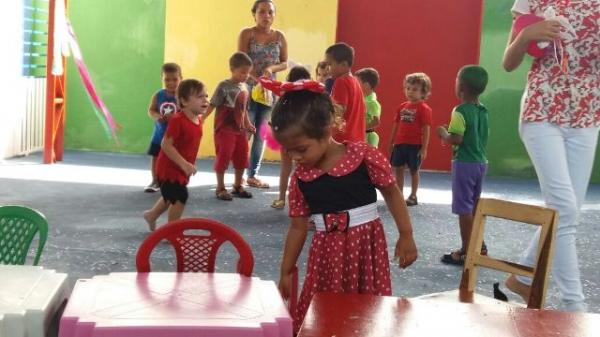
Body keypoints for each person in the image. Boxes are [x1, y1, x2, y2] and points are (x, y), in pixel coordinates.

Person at [270, 81, 418, 331]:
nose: (295, 157)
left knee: (366, 314)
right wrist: (286, 270)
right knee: (324, 317)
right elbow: (297, 228)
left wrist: (406, 235)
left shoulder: (362, 156)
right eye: (288, 151)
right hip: (327, 257)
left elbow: (392, 193)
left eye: (301, 149)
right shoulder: (300, 178)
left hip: (365, 250)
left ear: (327, 128)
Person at [502, 0, 599, 312]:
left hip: (587, 115)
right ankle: (575, 308)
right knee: (563, 208)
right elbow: (508, 62)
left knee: (568, 212)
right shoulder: (531, 1)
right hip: (542, 111)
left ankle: (524, 279)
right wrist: (527, 34)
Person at [436, 65, 489, 265]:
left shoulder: (459, 111)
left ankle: (468, 251)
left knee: (464, 209)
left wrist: (443, 133)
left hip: (465, 164)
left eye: (457, 79)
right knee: (475, 206)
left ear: (462, 87)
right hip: (481, 163)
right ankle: (479, 246)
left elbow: (456, 139)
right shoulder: (483, 110)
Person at [143, 79, 208, 231]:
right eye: (200, 97)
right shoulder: (178, 120)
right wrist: (184, 164)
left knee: (170, 196)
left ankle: (151, 215)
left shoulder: (198, 119)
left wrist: (187, 165)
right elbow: (166, 145)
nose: (205, 100)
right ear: (184, 102)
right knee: (180, 197)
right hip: (169, 168)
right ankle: (171, 232)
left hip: (181, 168)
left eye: (206, 96)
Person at [238, 0, 288, 189]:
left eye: (270, 12)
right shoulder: (247, 34)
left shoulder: (280, 36)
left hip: (269, 92)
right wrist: (256, 77)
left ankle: (253, 175)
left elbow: (284, 62)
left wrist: (271, 68)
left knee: (261, 134)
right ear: (254, 14)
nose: (266, 16)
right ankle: (239, 175)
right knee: (246, 131)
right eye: (261, 12)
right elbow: (240, 60)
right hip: (248, 90)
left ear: (274, 15)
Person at [203, 52, 255, 201]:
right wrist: (202, 119)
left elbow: (242, 110)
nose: (246, 76)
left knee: (242, 157)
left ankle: (238, 186)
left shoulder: (245, 87)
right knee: (224, 156)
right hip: (224, 130)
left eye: (248, 73)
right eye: (242, 72)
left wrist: (248, 124)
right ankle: (220, 187)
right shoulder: (224, 86)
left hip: (240, 131)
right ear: (232, 69)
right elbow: (213, 104)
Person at [271, 65, 311, 209]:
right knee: (303, 170)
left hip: (287, 140)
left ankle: (281, 198)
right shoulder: (309, 100)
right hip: (302, 140)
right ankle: (304, 202)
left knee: (285, 169)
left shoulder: (285, 97)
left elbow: (276, 117)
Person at [388, 73, 432, 206]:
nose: (410, 92)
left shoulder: (424, 109)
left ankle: (413, 195)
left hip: (415, 146)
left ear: (423, 92)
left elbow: (426, 129)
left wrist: (424, 148)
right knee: (398, 169)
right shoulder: (401, 107)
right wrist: (391, 143)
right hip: (400, 144)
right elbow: (395, 126)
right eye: (408, 88)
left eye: (414, 89)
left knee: (414, 170)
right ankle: (399, 194)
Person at [145, 63, 182, 192]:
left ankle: (175, 181)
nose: (171, 83)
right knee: (155, 157)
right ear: (162, 78)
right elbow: (151, 110)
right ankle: (155, 181)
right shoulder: (158, 95)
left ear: (181, 78)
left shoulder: (183, 97)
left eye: (175, 79)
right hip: (159, 135)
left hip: (176, 138)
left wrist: (176, 118)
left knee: (175, 159)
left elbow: (189, 112)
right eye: (167, 79)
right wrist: (156, 116)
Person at [325, 42, 366, 143]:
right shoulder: (355, 81)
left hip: (342, 141)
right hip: (356, 140)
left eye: (330, 64)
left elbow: (339, 111)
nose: (327, 69)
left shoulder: (341, 82)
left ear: (344, 64)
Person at [356, 67, 382, 147]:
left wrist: (362, 128)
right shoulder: (359, 99)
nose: (354, 84)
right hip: (358, 135)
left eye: (357, 82)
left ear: (366, 85)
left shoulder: (372, 103)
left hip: (368, 137)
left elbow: (376, 121)